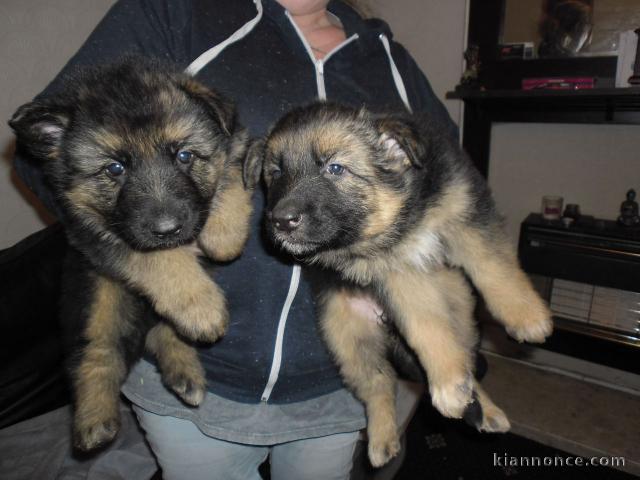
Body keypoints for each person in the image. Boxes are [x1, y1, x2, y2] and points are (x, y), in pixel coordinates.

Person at [13, 1, 457, 478]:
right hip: (208, 380)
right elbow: (45, 159)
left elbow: (449, 180)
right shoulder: (172, 12)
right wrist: (154, 259)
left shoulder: (387, 56)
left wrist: (406, 271)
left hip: (339, 375)